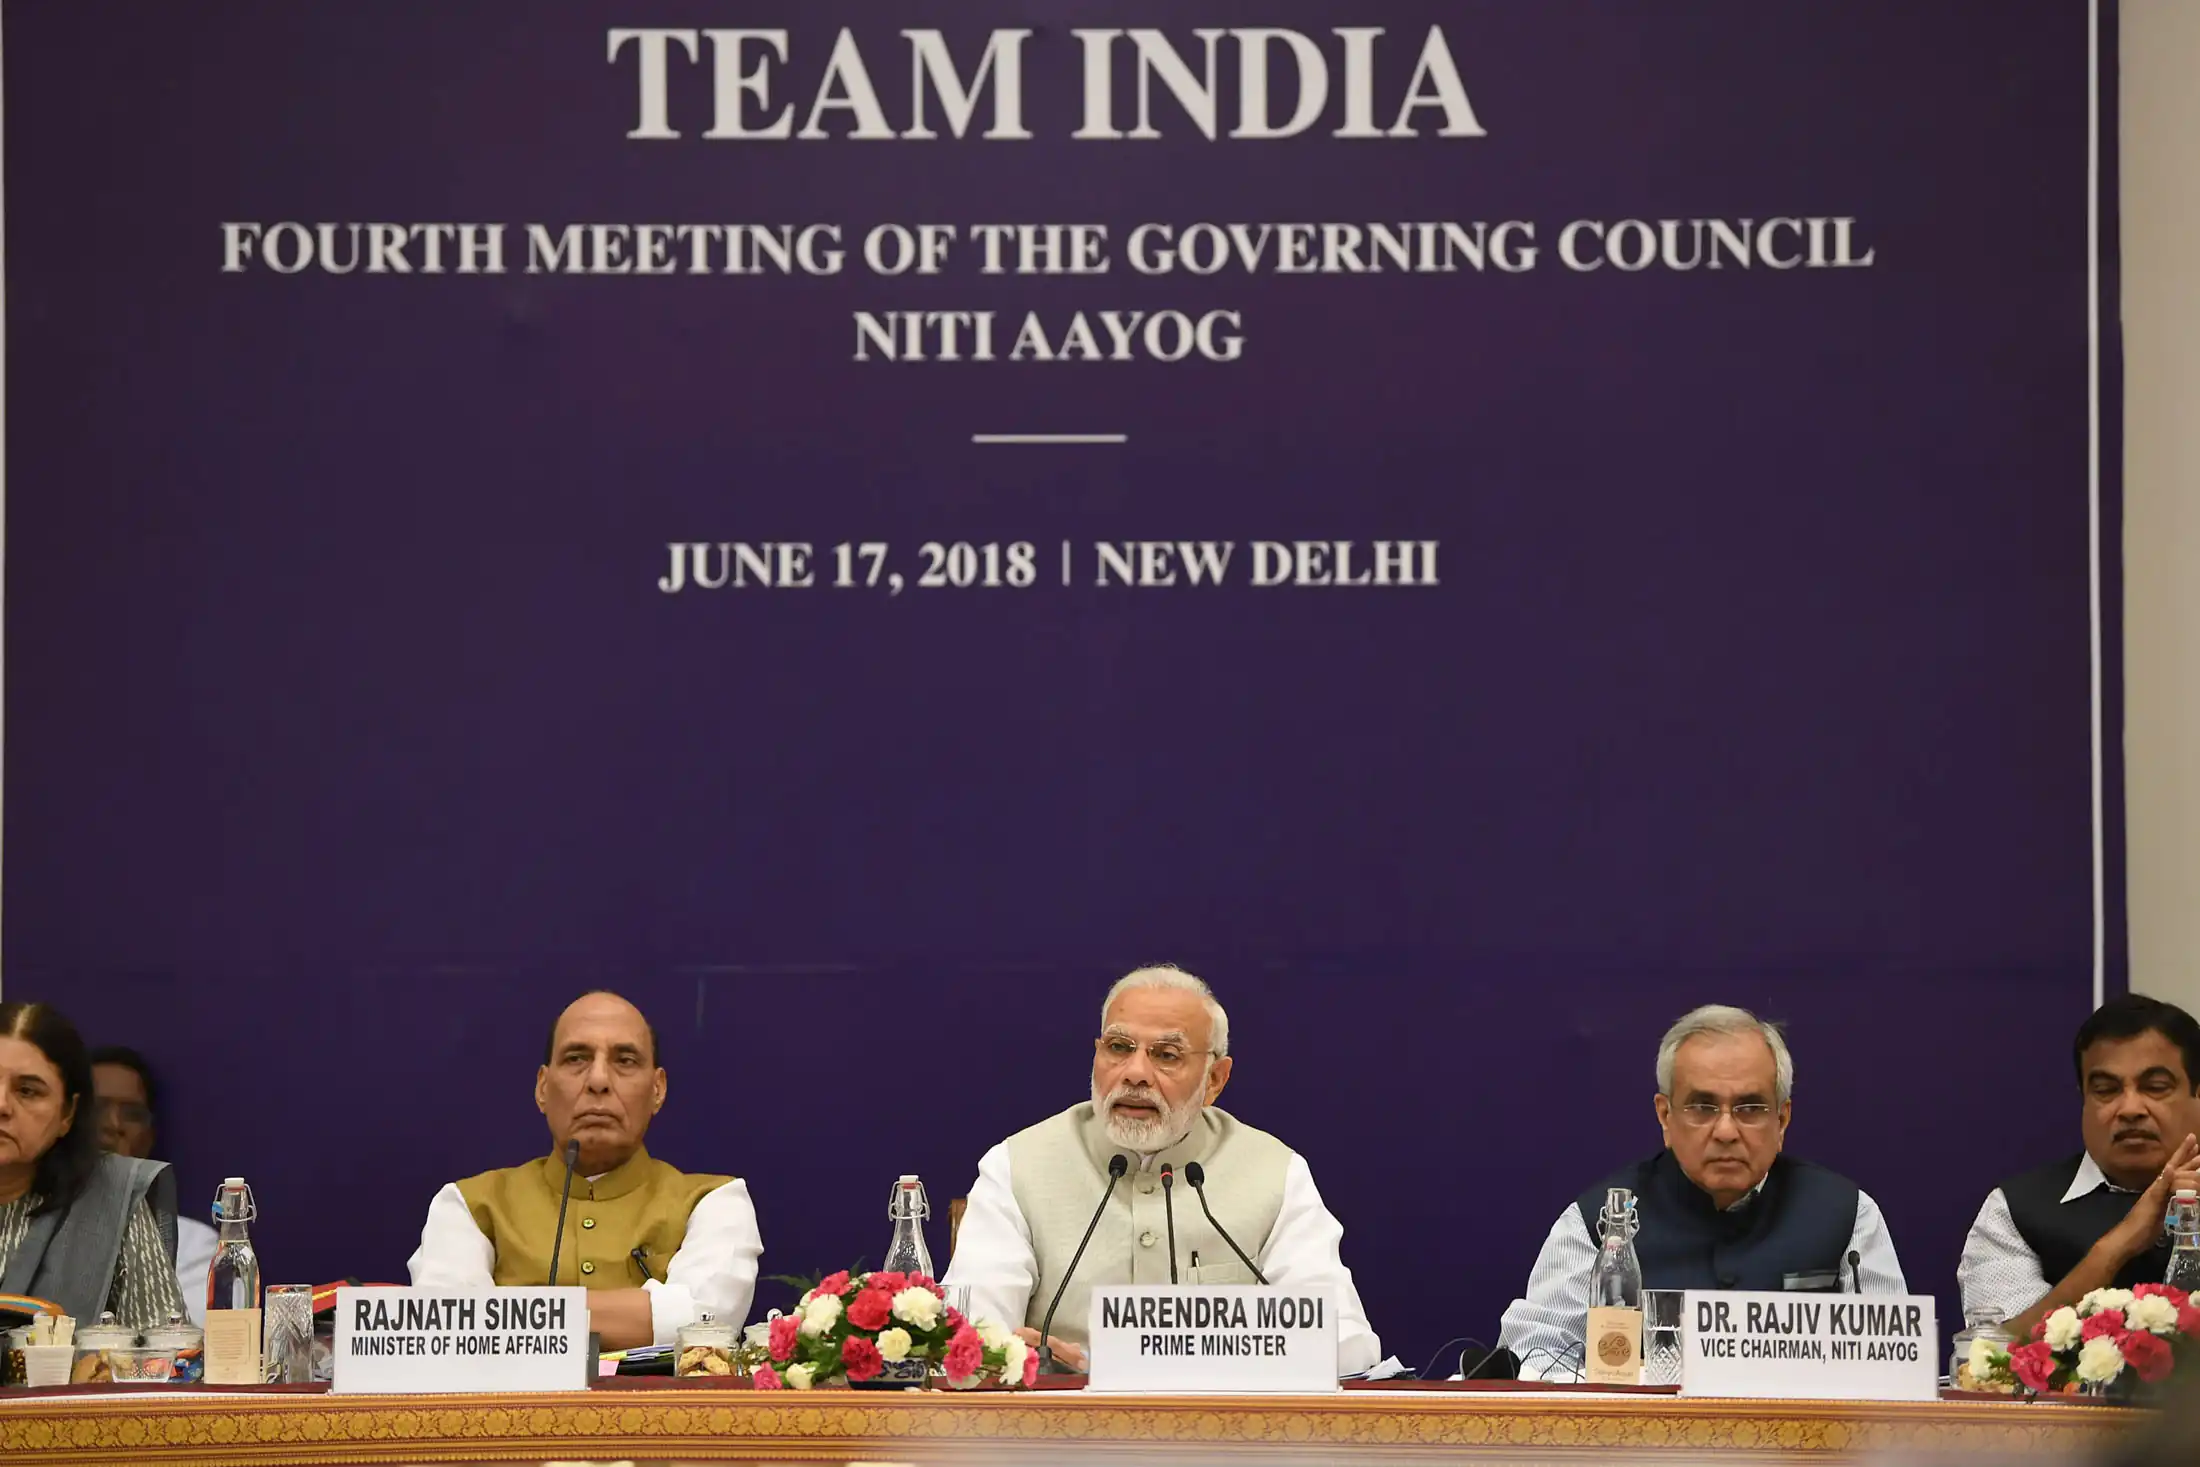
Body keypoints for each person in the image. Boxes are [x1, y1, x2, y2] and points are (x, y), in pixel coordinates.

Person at [942, 964, 1382, 1375]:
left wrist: (1115, 1366)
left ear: (1215, 1080)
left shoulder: (1275, 1173)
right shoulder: (1019, 1164)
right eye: (1118, 1047)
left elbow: (1345, 1344)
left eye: (1167, 1055)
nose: (1135, 1073)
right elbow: (966, 1340)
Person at [1498, 1004, 1906, 1377]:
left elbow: (1895, 1364)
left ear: (1782, 1121)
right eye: (1702, 1107)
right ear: (1665, 1117)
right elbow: (1532, 1357)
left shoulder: (1847, 1213)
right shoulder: (1598, 1222)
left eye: (1749, 1108)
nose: (1726, 1131)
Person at [406, 991, 760, 1350]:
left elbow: (703, 1321)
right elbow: (445, 1329)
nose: (598, 1081)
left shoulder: (716, 1201)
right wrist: (649, 1314)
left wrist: (502, 1318)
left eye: (625, 1060)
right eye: (577, 1058)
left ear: (657, 1089)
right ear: (543, 1088)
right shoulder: (468, 1205)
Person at [1957, 993, 2200, 1342]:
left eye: (2155, 1087)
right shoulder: (2015, 1211)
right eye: (2106, 1090)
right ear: (2083, 1099)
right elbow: (1997, 1361)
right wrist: (2116, 1246)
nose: (2130, 1108)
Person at [0, 1002, 188, 1326]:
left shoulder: (111, 1196)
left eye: (27, 1091)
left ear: (67, 1114)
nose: (2, 1105)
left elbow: (161, 1353)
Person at [89, 1046, 219, 1325]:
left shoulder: (192, 1244)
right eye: (97, 1108)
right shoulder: (31, 1229)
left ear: (147, 1139)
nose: (113, 1125)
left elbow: (187, 1347)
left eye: (132, 1114)